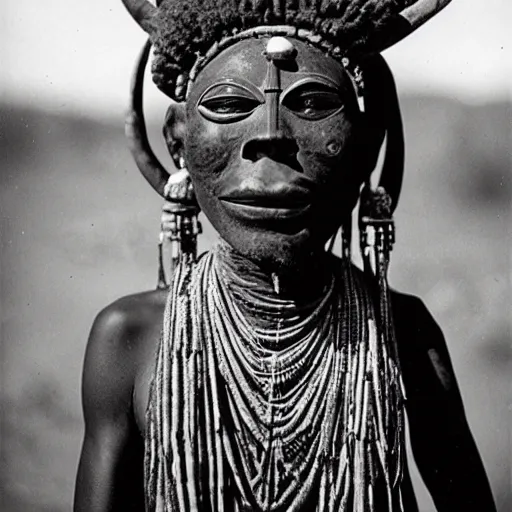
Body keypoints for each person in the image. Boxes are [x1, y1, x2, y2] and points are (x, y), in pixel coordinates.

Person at [74, 1, 497, 510]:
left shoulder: (403, 333)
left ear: (367, 149)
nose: (271, 135)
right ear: (177, 142)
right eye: (229, 105)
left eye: (315, 103)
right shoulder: (128, 339)